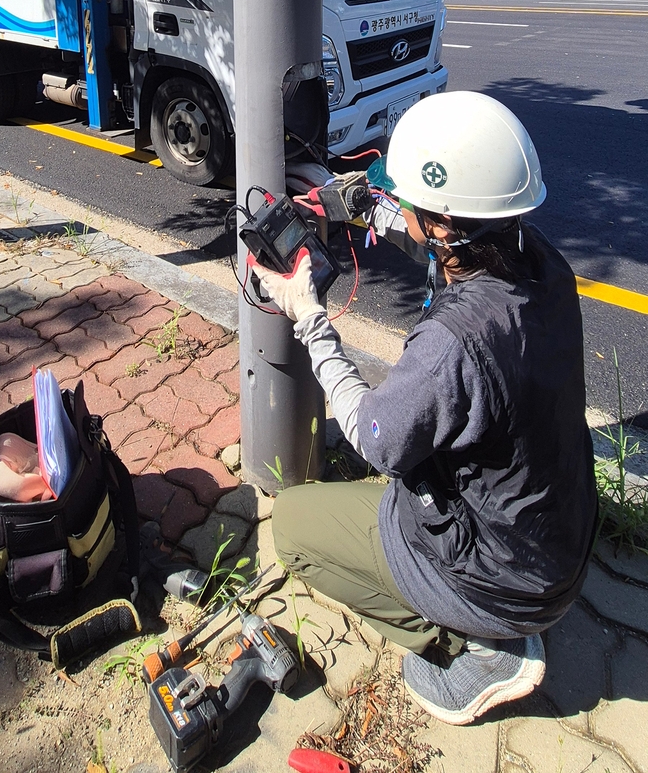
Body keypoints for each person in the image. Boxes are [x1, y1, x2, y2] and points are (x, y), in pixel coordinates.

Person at [256, 90, 597, 727]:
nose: (401, 205)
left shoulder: (453, 344)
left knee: (294, 527)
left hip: (506, 578)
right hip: (559, 539)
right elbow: (457, 241)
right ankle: (486, 616)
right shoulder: (544, 263)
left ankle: (476, 649)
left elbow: (375, 439)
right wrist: (366, 208)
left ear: (441, 222)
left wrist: (309, 318)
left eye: (410, 200)